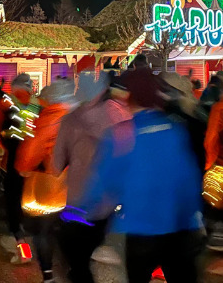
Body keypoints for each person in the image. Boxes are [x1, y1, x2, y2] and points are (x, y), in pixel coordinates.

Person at [80, 69, 204, 283]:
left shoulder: (121, 134)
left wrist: (87, 211)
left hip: (140, 227)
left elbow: (105, 181)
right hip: (179, 225)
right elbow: (189, 178)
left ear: (129, 97)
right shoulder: (175, 129)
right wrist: (195, 215)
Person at [53, 71, 132, 283]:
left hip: (77, 199)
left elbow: (57, 164)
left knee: (76, 257)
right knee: (92, 245)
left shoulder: (69, 120)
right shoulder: (119, 116)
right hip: (108, 199)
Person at [13, 79, 75, 281]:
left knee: (44, 231)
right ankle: (75, 268)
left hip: (53, 185)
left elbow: (31, 150)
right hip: (82, 184)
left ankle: (48, 274)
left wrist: (23, 168)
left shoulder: (50, 117)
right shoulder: (83, 115)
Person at [0, 73, 39, 263]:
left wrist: (5, 146)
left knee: (13, 201)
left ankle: (22, 247)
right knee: (35, 202)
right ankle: (43, 246)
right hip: (37, 160)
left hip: (15, 158)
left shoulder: (5, 104)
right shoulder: (40, 104)